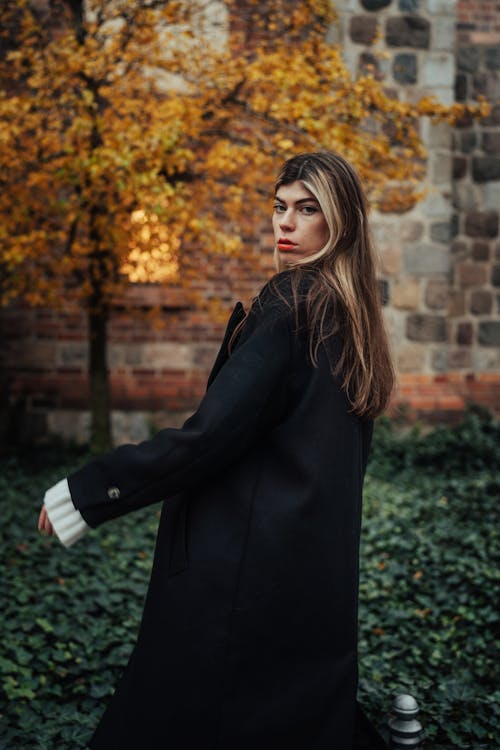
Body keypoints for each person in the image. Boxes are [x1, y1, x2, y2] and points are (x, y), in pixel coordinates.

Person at [38, 151, 394, 749]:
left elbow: (208, 438)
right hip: (311, 586)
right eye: (280, 207)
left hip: (241, 581)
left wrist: (88, 491)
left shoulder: (293, 303)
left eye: (308, 210)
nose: (285, 224)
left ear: (342, 223)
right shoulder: (351, 316)